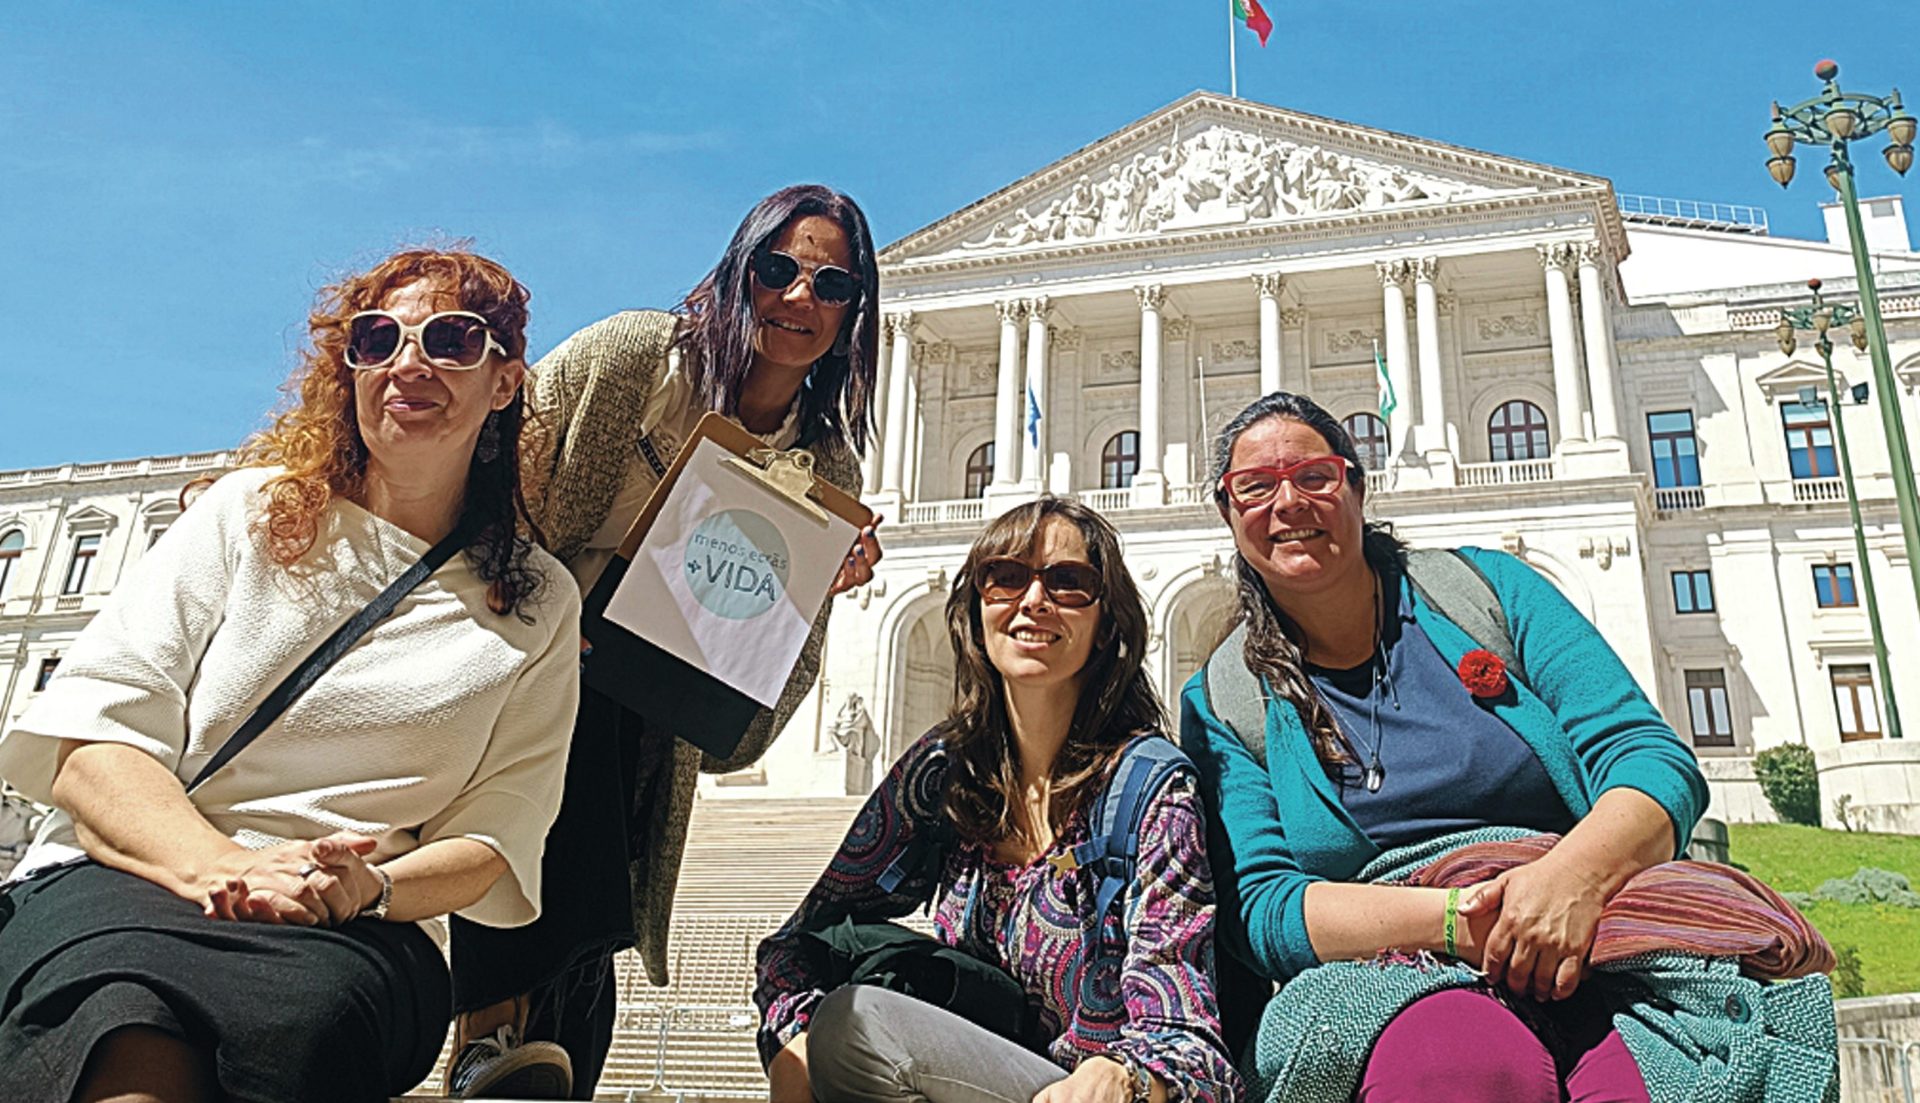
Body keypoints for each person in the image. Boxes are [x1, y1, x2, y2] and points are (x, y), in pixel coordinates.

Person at [0, 248, 581, 1103]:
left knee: (305, 1022)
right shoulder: (245, 513)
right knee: (124, 1021)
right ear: (347, 370)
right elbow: (92, 746)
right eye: (377, 339)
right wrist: (223, 865)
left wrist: (367, 885)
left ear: (503, 381)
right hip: (129, 876)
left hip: (347, 927)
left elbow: (494, 840)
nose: (407, 363)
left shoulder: (540, 603)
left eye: (451, 340)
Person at [1181, 392, 1835, 1103]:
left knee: (1651, 1085)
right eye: (1256, 486)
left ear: (1357, 489)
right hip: (1387, 969)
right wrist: (1464, 920)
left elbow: (1650, 758)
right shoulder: (1223, 698)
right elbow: (1265, 907)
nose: (1289, 503)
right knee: (1460, 1074)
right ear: (1226, 512)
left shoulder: (1490, 591)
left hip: (1593, 930)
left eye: (1315, 476)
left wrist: (1569, 883)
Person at [446, 184, 887, 1099]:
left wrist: (804, 599)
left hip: (643, 732)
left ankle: (501, 1047)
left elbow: (744, 729)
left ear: (854, 314)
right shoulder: (634, 359)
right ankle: (495, 1038)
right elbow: (479, 472)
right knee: (573, 871)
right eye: (778, 270)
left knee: (584, 926)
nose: (799, 298)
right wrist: (544, 613)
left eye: (832, 284)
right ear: (740, 273)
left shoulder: (827, 467)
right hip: (521, 672)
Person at [755, 497, 1243, 1103]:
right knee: (845, 1026)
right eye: (1006, 578)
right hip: (975, 1076)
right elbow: (794, 947)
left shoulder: (1151, 791)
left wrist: (1126, 1076)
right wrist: (795, 1042)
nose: (1033, 601)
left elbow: (1189, 1038)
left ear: (1107, 624)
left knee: (862, 1027)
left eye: (1068, 583)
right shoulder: (947, 770)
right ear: (976, 611)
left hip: (1090, 1096)